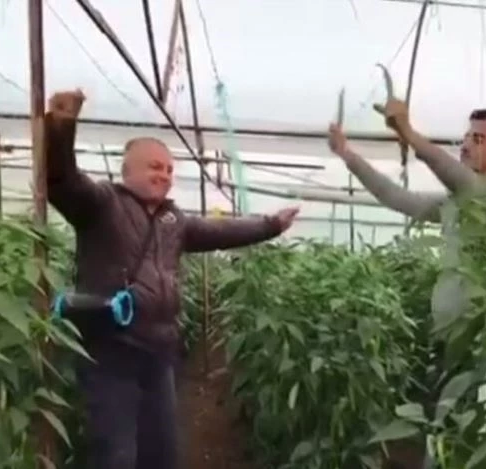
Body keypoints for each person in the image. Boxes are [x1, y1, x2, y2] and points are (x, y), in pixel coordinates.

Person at [46, 89, 299, 469]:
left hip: (159, 353)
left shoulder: (172, 221)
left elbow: (221, 232)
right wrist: (62, 126)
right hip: (112, 351)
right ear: (127, 171)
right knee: (116, 456)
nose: (163, 176)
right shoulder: (102, 204)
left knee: (162, 455)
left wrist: (270, 225)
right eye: (154, 167)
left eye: (168, 170)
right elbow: (62, 180)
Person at [328, 98, 486, 469]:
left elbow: (458, 178)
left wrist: (409, 133)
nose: (466, 144)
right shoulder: (456, 203)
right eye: (466, 137)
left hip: (485, 347)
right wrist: (347, 155)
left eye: (479, 139)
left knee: (470, 439)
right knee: (445, 434)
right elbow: (396, 197)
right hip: (449, 341)